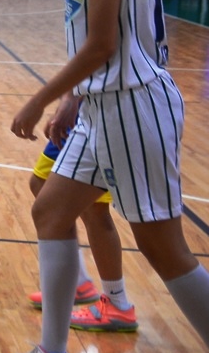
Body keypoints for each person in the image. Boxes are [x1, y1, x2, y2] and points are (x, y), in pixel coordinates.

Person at [8, 0, 208, 353]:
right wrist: (75, 98)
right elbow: (108, 39)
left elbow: (103, 45)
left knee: (164, 248)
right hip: (105, 107)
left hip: (133, 107)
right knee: (50, 211)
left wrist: (41, 97)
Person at [23, 135, 136, 332]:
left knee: (95, 208)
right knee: (42, 184)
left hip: (96, 124)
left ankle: (116, 302)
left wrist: (56, 110)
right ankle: (80, 283)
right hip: (83, 121)